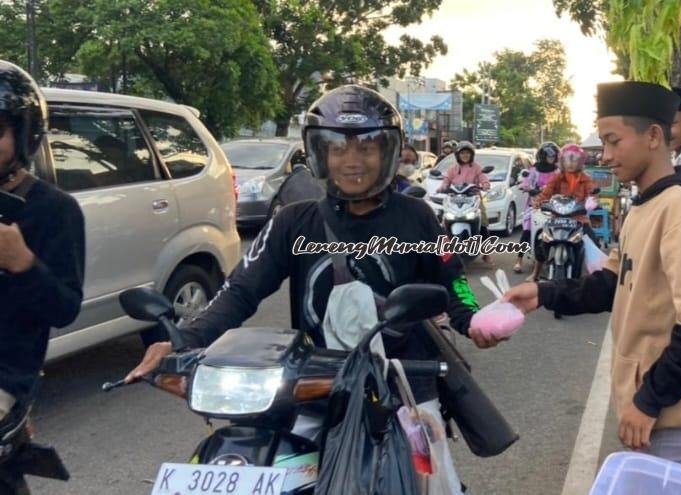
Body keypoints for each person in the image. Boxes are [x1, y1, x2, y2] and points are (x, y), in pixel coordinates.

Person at [126, 85, 501, 484]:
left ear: (387, 153)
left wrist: (474, 318)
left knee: (430, 480)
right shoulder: (292, 221)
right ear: (321, 153)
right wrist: (183, 339)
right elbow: (240, 290)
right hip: (314, 381)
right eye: (339, 149)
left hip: (404, 380)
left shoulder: (417, 216)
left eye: (367, 148)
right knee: (282, 470)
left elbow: (453, 280)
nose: (352, 161)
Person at [503, 81, 681, 469]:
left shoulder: (679, 209)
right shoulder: (646, 204)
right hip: (652, 407)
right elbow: (611, 282)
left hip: (668, 414)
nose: (606, 156)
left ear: (654, 136)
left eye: (613, 141)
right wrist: (543, 293)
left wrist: (649, 402)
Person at [0, 61, 85, 423]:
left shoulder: (54, 209)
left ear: (24, 134)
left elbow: (64, 309)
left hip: (6, 375)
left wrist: (24, 264)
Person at [527, 143, 597, 281]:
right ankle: (536, 272)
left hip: (579, 218)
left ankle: (592, 276)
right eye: (567, 160)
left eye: (575, 160)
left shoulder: (586, 178)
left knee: (593, 241)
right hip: (556, 217)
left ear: (581, 162)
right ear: (562, 161)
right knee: (542, 240)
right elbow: (546, 193)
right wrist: (538, 202)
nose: (571, 164)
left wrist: (592, 201)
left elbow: (592, 193)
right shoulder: (557, 177)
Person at [437, 140, 493, 263]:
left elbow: (483, 177)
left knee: (483, 222)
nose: (465, 155)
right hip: (454, 199)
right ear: (457, 155)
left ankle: (486, 252)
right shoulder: (453, 169)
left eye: (467, 153)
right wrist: (442, 187)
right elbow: (446, 180)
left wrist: (485, 184)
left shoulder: (476, 167)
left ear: (471, 154)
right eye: (462, 153)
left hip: (473, 198)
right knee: (443, 220)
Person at [513, 142, 559, 274]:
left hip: (553, 206)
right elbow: (526, 181)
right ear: (542, 156)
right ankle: (519, 260)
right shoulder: (534, 169)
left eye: (553, 156)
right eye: (549, 156)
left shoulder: (557, 171)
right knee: (526, 231)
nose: (551, 158)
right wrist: (526, 187)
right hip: (534, 205)